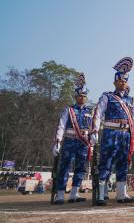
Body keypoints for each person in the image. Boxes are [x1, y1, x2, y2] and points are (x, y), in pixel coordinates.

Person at [93, 57, 134, 205]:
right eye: (120, 81)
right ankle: (101, 194)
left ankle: (121, 194)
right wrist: (94, 130)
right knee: (106, 163)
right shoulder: (107, 96)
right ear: (115, 82)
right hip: (110, 132)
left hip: (125, 135)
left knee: (123, 164)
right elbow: (98, 113)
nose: (123, 83)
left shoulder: (131, 100)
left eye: (125, 81)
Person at [52, 73, 93, 204]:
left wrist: (92, 139)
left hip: (83, 142)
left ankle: (74, 194)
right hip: (70, 140)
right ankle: (60, 194)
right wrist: (57, 142)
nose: (82, 98)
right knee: (65, 167)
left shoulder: (89, 111)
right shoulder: (69, 110)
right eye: (80, 96)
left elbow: (92, 127)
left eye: (85, 96)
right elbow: (61, 126)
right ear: (75, 96)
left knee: (81, 168)